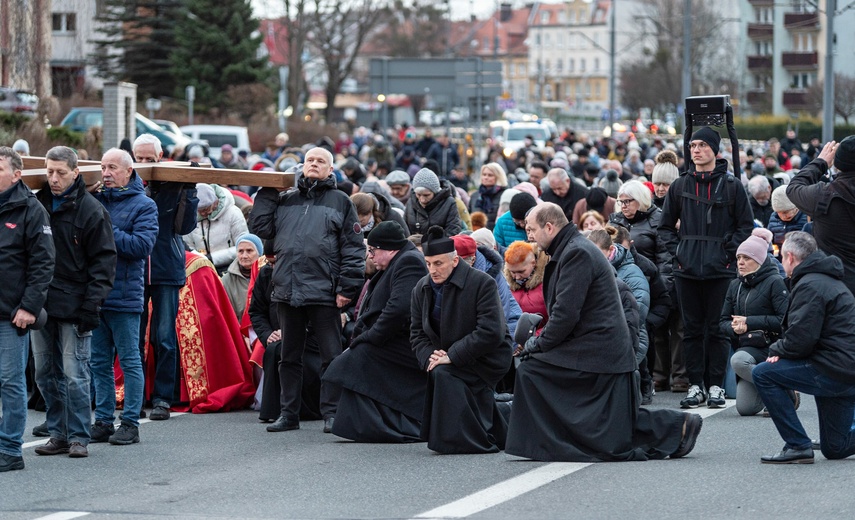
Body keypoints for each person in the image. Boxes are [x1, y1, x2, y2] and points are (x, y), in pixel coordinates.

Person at [506, 203, 701, 462]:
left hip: (599, 350)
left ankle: (557, 442)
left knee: (531, 370)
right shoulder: (570, 248)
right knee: (540, 373)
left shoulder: (576, 253)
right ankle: (677, 427)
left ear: (549, 227)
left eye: (531, 229)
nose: (527, 235)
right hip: (593, 345)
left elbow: (565, 316)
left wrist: (535, 344)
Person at [250, 148, 365, 434]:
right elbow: (261, 226)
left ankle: (333, 413)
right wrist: (268, 189)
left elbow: (353, 249)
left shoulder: (340, 201)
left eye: (320, 161)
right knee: (288, 357)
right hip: (288, 290)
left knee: (331, 356)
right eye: (310, 160)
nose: (314, 164)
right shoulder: (287, 198)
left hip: (324, 292)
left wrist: (346, 288)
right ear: (302, 167)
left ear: (330, 170)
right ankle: (289, 414)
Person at [658, 126, 754, 409]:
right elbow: (664, 228)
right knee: (691, 330)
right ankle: (695, 386)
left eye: (701, 145)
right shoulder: (679, 185)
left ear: (715, 149)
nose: (696, 150)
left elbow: (745, 226)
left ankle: (715, 386)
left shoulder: (732, 185)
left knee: (717, 329)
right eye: (692, 145)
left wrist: (726, 253)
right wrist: (679, 252)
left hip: (720, 270)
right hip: (686, 269)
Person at [30, 147, 116, 459]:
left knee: (75, 374)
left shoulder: (91, 210)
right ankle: (58, 433)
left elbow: (104, 263)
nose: (53, 178)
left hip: (76, 305)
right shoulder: (37, 204)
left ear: (75, 173)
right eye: (49, 172)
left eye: (60, 172)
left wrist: (92, 306)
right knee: (44, 373)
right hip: (40, 303)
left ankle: (79, 435)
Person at [753, 232, 855, 463]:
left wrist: (776, 351)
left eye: (781, 257)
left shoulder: (811, 285)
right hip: (844, 369)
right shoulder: (826, 279)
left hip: (833, 369)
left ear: (790, 257)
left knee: (763, 374)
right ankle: (802, 445)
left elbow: (801, 339)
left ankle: (797, 445)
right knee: (835, 448)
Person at [410, 226, 512, 454]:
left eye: (438, 263)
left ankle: (467, 439)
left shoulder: (482, 283)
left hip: (488, 357)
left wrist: (452, 355)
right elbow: (417, 333)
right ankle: (464, 434)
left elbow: (491, 331)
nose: (432, 270)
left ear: (455, 261)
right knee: (440, 371)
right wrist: (430, 356)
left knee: (444, 373)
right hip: (448, 355)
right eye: (428, 263)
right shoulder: (421, 287)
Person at [324, 221, 428, 442]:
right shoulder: (399, 260)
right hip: (390, 336)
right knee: (350, 362)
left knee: (352, 361)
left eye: (373, 250)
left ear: (389, 249)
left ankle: (374, 424)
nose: (369, 256)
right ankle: (355, 421)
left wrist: (371, 337)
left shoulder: (409, 261)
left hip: (401, 341)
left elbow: (399, 309)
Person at [91, 148, 158, 446]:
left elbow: (141, 246)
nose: (106, 173)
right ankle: (103, 420)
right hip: (96, 294)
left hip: (126, 296)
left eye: (113, 168)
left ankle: (130, 422)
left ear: (129, 171)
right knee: (99, 362)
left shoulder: (145, 205)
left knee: (130, 361)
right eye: (103, 167)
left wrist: (105, 228)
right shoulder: (95, 199)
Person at [133, 134, 198, 422]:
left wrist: (189, 189)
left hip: (166, 268)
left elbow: (184, 227)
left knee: (164, 338)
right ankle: (135, 397)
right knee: (133, 339)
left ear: (160, 158)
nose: (144, 164)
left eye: (150, 159)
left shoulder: (173, 182)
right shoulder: (125, 183)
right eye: (140, 158)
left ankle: (162, 397)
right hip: (133, 270)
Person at [0, 147, 54, 473]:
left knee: (10, 381)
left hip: (11, 314)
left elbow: (43, 263)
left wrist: (30, 307)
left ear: (16, 174)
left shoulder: (31, 210)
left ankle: (9, 449)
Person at [720, 235, 789, 417]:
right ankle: (778, 388)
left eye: (747, 258)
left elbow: (785, 321)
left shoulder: (775, 282)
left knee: (737, 360)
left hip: (773, 348)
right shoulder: (735, 285)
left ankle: (781, 392)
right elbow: (722, 322)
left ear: (759, 261)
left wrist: (749, 322)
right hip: (749, 345)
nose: (740, 263)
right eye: (738, 258)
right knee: (746, 409)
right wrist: (734, 328)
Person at [786, 137, 855, 295]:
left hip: (835, 289)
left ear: (838, 163)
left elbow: (793, 188)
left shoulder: (823, 195)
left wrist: (821, 162)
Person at [183, 183, 248, 272]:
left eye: (205, 209)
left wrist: (211, 258)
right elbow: (188, 245)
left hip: (230, 268)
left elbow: (242, 247)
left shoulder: (234, 214)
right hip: (200, 267)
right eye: (199, 210)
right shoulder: (191, 216)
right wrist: (199, 258)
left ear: (215, 202)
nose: (202, 213)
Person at [503, 240, 549, 328]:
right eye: (512, 272)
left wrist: (535, 338)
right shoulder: (506, 286)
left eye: (521, 271)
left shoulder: (547, 283)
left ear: (533, 263)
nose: (517, 277)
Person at [404, 168, 462, 236]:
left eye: (426, 195)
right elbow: (405, 230)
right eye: (418, 195)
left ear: (435, 192)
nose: (422, 199)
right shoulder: (410, 202)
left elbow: (453, 230)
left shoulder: (449, 203)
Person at [221, 234, 262, 320]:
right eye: (240, 251)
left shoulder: (268, 275)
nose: (244, 256)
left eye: (249, 251)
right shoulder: (227, 281)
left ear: (259, 253)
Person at [768, 185, 808, 258]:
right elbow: (770, 240)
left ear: (795, 207)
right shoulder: (773, 217)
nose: (783, 216)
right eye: (779, 213)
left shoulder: (806, 218)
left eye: (786, 212)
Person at [468, 163, 508, 230]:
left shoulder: (504, 195)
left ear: (498, 176)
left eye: (490, 175)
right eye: (484, 174)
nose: (486, 177)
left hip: (495, 234)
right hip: (476, 235)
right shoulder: (475, 196)